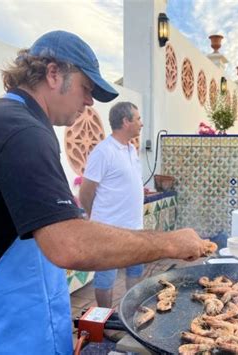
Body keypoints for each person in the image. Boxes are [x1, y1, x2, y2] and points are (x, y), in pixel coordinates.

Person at [0, 30, 208, 355]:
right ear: (53, 73)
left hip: (24, 314)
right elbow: (68, 244)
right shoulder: (21, 130)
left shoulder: (14, 121)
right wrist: (170, 242)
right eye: (86, 88)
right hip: (1, 328)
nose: (89, 101)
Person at [79, 102, 145, 309]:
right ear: (126, 122)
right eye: (138, 119)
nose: (141, 124)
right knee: (105, 278)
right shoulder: (103, 151)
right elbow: (86, 191)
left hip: (135, 227)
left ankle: (132, 310)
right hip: (109, 229)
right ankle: (105, 318)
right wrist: (95, 218)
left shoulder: (131, 149)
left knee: (135, 271)